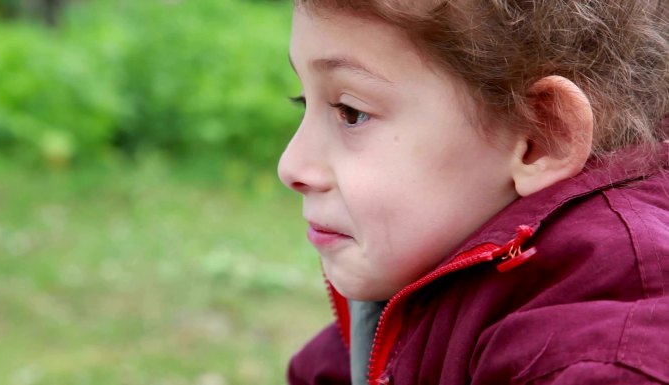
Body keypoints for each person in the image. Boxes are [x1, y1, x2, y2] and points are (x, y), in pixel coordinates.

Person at [277, 0, 669, 384]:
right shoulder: (425, 273)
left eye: (351, 112)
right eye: (302, 101)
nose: (290, 167)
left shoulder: (605, 353)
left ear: (542, 136)